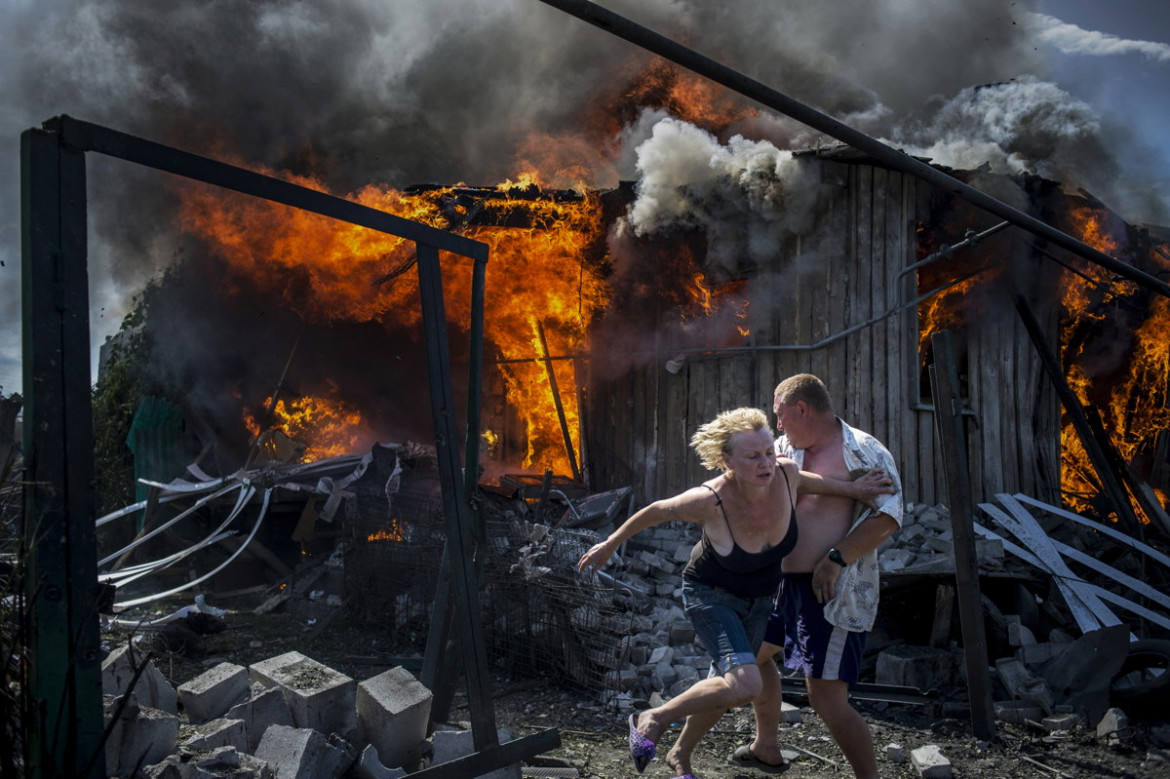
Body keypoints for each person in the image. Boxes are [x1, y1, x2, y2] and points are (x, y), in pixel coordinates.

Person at [577, 406, 894, 777]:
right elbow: (655, 510)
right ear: (727, 460)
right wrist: (609, 545)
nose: (767, 463)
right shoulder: (709, 500)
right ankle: (653, 717)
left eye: (768, 453)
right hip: (711, 595)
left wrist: (854, 489)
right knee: (744, 683)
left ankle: (741, 749)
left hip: (761, 598)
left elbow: (812, 482)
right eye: (753, 456)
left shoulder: (786, 474)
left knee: (745, 672)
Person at [733, 374, 902, 779]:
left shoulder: (863, 451)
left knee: (825, 697)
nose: (778, 426)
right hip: (777, 586)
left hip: (830, 590)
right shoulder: (784, 448)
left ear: (802, 409)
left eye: (781, 416)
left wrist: (835, 559)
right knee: (750, 659)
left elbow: (890, 516)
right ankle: (767, 747)